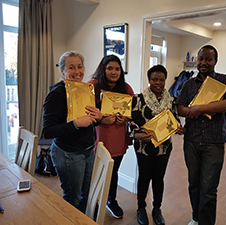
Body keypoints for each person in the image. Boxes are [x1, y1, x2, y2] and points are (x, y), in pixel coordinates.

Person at [176, 45, 226, 225]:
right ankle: (196, 218)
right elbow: (180, 107)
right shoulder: (188, 84)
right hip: (192, 141)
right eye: (201, 59)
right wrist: (190, 111)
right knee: (194, 184)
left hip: (214, 141)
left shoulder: (225, 80)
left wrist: (201, 108)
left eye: (208, 59)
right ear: (196, 60)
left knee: (209, 188)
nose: (204, 62)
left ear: (215, 61)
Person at [42, 51, 103, 213]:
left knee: (87, 194)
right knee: (72, 198)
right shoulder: (56, 94)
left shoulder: (85, 90)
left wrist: (99, 117)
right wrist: (75, 124)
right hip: (68, 154)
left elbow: (89, 120)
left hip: (88, 150)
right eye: (71, 68)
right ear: (62, 71)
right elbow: (47, 131)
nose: (77, 72)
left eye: (80, 67)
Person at [130, 65, 186, 225]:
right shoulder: (138, 99)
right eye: (155, 79)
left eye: (161, 79)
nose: (158, 83)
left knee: (159, 178)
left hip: (164, 147)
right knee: (144, 177)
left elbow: (174, 120)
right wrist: (137, 134)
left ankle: (157, 208)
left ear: (165, 80)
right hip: (144, 147)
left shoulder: (171, 100)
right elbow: (132, 121)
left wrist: (178, 128)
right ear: (149, 80)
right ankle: (141, 207)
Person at [88, 55, 134, 219]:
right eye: (110, 68)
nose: (114, 72)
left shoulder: (126, 88)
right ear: (103, 69)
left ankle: (110, 200)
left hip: (118, 138)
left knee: (113, 172)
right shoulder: (92, 86)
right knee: (94, 173)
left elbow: (131, 112)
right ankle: (93, 202)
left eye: (117, 68)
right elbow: (83, 112)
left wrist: (125, 118)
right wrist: (102, 119)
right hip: (98, 137)